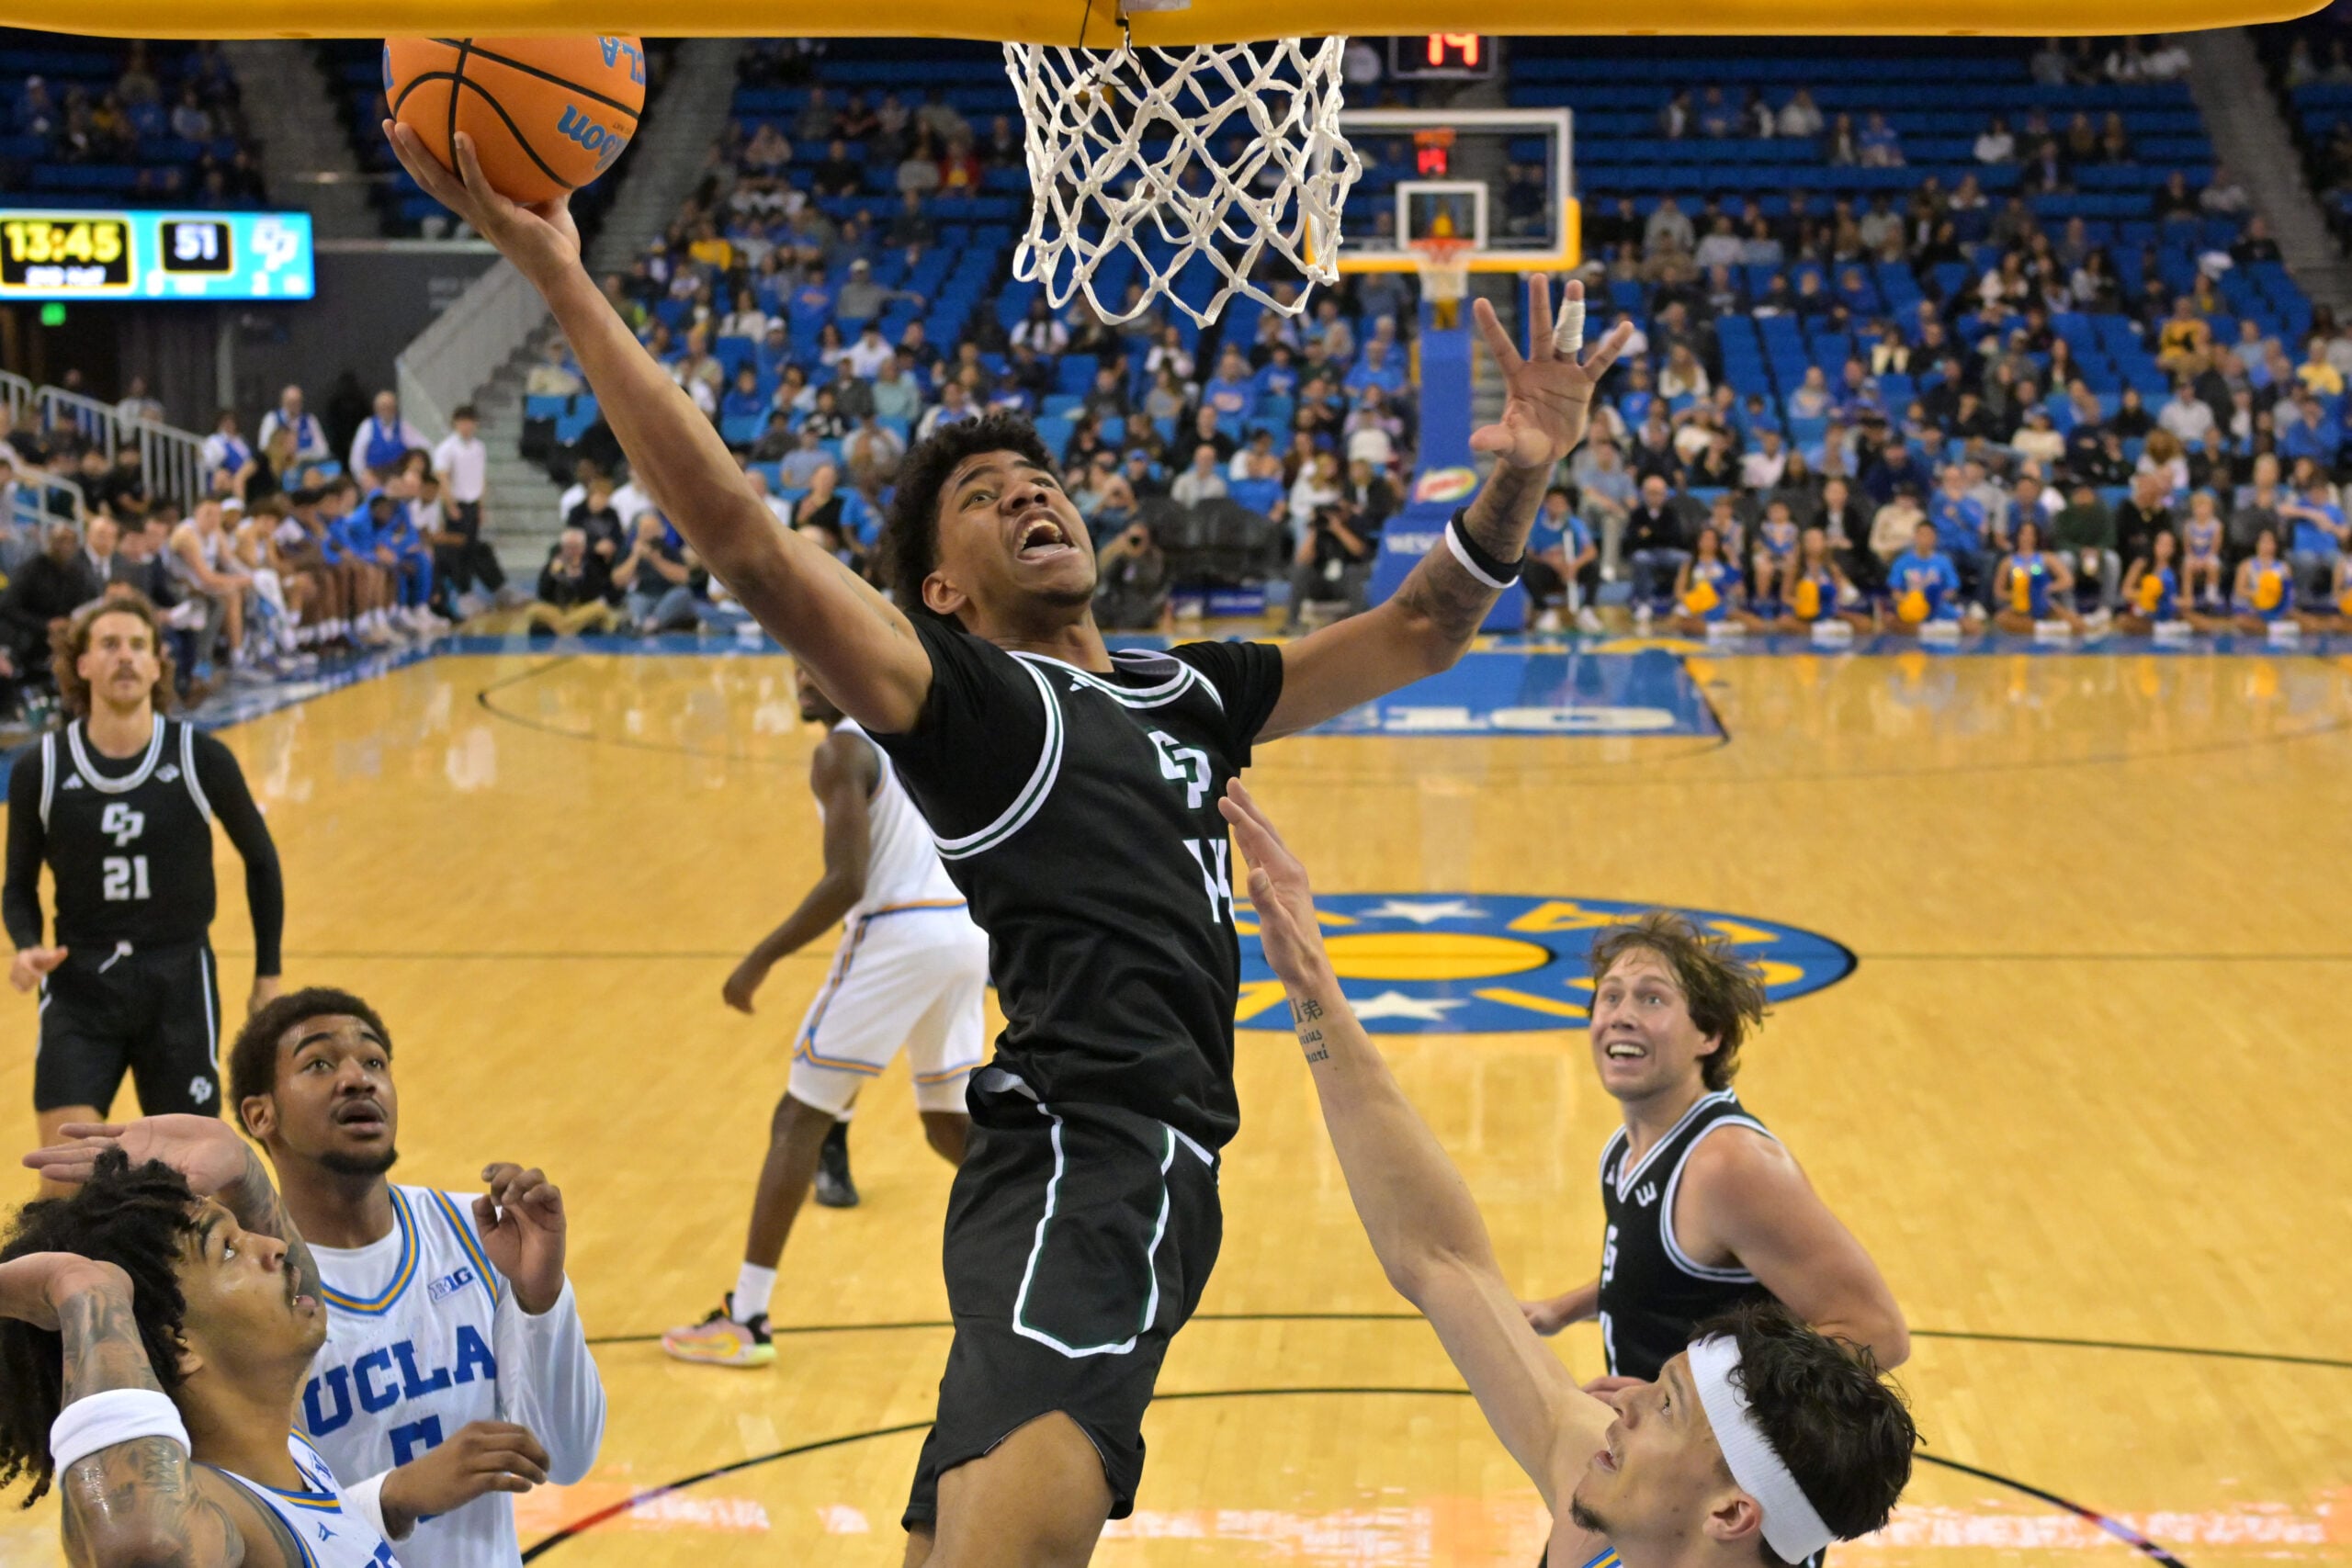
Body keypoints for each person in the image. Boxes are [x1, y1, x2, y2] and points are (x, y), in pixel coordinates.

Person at [389, 115, 1634, 1568]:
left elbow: (1424, 625)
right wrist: (564, 283)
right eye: (982, 499)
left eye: (1036, 478)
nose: (1028, 493)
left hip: (1101, 1172)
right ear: (942, 591)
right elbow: (742, 536)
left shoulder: (1189, 688)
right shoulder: (974, 700)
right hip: (1090, 1161)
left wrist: (1526, 469)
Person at [1217, 779, 1918, 1568]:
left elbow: (1877, 1332)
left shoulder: (1727, 1160)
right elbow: (1440, 1256)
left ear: (1730, 1509)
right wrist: (1312, 988)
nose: (1617, 1408)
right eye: (1609, 995)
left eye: (1662, 1402)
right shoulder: (1600, 1503)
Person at [666, 666, 989, 1368]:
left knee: (799, 1116)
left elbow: (847, 879)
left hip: (901, 930)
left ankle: (746, 1317)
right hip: (964, 929)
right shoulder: (910, 738)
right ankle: (1057, 1221)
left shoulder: (841, 751)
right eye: (797, 663)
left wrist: (760, 957)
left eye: (820, 660)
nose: (805, 674)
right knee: (946, 1122)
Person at [225, 989, 606, 1565]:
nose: (358, 1079)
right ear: (261, 1115)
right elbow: (246, 1537)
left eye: (374, 1062)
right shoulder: (246, 1292)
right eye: (320, 1064)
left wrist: (541, 1299)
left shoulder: (479, 1235)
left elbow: (568, 1454)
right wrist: (393, 1498)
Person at [1, 1121, 401, 1568]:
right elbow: (145, 1545)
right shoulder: (226, 1514)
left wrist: (246, 1174)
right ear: (179, 1343)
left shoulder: (283, 1446)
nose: (273, 1247)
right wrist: (86, 1292)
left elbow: (302, 1299)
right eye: (228, 1249)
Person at [5, 595, 283, 1184]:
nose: (125, 657)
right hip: (81, 984)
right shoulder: (42, 766)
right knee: (62, 1180)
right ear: (80, 665)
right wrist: (26, 943)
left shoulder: (199, 756)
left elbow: (261, 860)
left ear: (159, 665)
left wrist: (269, 973)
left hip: (178, 983)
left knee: (183, 1187)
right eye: (108, 644)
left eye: (138, 645)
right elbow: (18, 886)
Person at [1992, 520, 2083, 635]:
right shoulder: (2008, 562)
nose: (2026, 538)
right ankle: (2042, 628)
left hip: (2044, 604)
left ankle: (2042, 627)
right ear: (2018, 536)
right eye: (2023, 533)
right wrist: (2015, 596)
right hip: (2019, 606)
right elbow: (1998, 591)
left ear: (2036, 537)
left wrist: (2048, 588)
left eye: (2031, 534)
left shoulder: (2046, 557)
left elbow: (2068, 580)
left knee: (2078, 625)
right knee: (2001, 619)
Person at [1883, 521, 1963, 633]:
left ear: (1935, 538)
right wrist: (1910, 600)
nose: (1925, 539)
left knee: (1970, 625)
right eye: (1922, 535)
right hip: (1912, 606)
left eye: (1929, 535)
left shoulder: (1943, 561)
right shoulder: (1902, 561)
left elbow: (1952, 589)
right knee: (1890, 621)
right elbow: (1895, 591)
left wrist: (1936, 598)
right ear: (1915, 537)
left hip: (1937, 606)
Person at [2119, 526, 2185, 635]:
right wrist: (2147, 595)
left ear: (2173, 549)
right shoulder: (2140, 564)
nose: (2163, 548)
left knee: (2191, 618)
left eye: (2168, 545)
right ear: (2154, 545)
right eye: (2160, 543)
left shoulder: (2179, 569)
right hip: (2146, 614)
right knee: (2123, 621)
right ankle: (2161, 629)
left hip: (2169, 611)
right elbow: (2126, 591)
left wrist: (2168, 599)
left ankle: (2169, 626)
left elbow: (2188, 601)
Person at [2227, 526, 2295, 632]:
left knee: (2299, 618)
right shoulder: (2246, 565)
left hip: (2276, 609)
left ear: (2275, 545)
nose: (2266, 545)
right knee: (2241, 622)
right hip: (2252, 608)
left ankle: (2271, 627)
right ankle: (2270, 629)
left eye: (2270, 541)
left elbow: (2289, 593)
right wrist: (2259, 595)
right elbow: (2239, 590)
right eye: (2263, 541)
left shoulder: (2284, 567)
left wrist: (2277, 601)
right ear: (2257, 544)